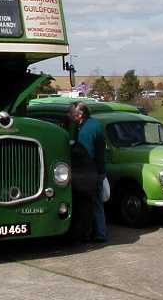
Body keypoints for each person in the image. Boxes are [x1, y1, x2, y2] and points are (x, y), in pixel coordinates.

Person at [69, 101, 107, 243]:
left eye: (73, 113)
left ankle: (92, 233)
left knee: (89, 203)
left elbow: (85, 154)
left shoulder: (86, 130)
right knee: (97, 203)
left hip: (91, 172)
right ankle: (100, 232)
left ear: (80, 114)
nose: (72, 115)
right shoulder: (95, 125)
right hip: (99, 169)